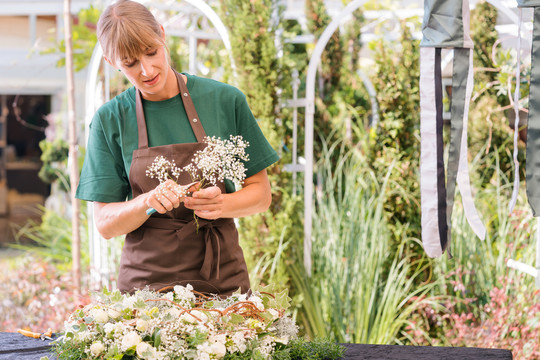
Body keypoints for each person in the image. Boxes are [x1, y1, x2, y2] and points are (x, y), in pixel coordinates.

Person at [75, 0, 279, 295]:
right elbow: (105, 224)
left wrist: (222, 204)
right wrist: (146, 202)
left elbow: (261, 195)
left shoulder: (224, 101)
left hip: (221, 279)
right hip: (146, 291)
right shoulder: (110, 120)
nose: (146, 70)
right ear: (111, 62)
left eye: (151, 52)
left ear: (161, 35)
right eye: (130, 64)